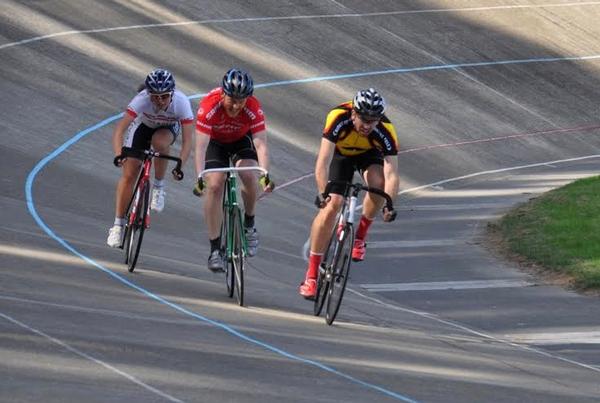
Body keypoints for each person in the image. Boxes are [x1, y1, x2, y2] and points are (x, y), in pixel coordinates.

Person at [299, 88, 399, 299]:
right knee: (332, 205)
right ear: (354, 113)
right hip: (340, 156)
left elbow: (392, 174)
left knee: (378, 184)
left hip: (368, 156)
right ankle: (311, 276)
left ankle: (359, 237)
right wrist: (321, 192)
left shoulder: (386, 130)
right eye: (363, 119)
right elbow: (323, 161)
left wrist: (390, 203)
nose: (367, 125)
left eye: (373, 120)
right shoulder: (337, 117)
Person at [193, 68, 274, 272]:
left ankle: (249, 224)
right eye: (232, 99)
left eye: (242, 100)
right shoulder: (208, 106)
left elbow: (261, 144)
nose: (237, 105)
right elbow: (201, 147)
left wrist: (265, 174)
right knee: (215, 185)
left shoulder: (253, 108)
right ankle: (214, 249)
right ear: (223, 94)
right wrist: (199, 176)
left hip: (241, 141)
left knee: (248, 173)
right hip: (216, 144)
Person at [106, 68, 194, 247]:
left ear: (172, 94)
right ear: (148, 94)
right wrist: (119, 155)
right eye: (155, 96)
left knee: (159, 142)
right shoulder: (141, 100)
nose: (160, 101)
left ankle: (158, 187)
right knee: (130, 173)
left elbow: (187, 142)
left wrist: (180, 167)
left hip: (167, 129)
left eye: (164, 96)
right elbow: (119, 131)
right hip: (143, 126)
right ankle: (117, 226)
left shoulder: (181, 103)